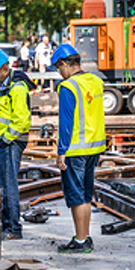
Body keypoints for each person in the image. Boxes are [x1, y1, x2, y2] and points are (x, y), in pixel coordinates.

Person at [51, 44, 106, 253]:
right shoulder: (95, 81)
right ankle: (85, 237)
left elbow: (66, 122)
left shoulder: (68, 87)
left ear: (65, 64)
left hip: (75, 149)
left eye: (58, 67)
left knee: (77, 196)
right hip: (94, 146)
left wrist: (61, 151)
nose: (59, 72)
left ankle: (81, 240)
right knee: (85, 194)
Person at [0, 50, 33, 240]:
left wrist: (5, 139)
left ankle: (13, 228)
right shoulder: (4, 87)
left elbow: (22, 121)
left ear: (5, 68)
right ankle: (6, 225)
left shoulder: (17, 88)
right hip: (3, 143)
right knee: (0, 184)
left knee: (8, 185)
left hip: (11, 142)